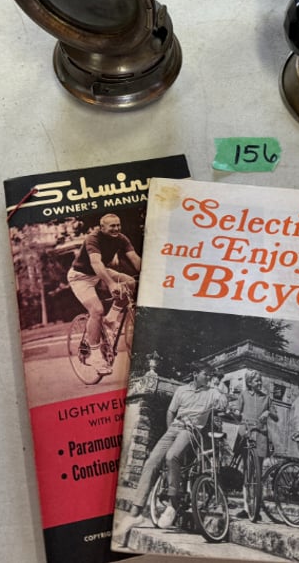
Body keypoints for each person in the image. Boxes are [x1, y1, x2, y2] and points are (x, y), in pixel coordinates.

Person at [116, 365, 229, 541]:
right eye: (206, 375)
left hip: (191, 430)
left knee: (171, 456)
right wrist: (170, 430)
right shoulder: (182, 390)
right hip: (174, 428)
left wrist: (218, 389)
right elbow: (171, 411)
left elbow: (223, 403)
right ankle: (135, 513)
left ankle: (173, 504)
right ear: (195, 374)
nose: (208, 378)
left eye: (210, 375)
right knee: (151, 462)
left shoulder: (211, 392)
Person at [67, 213, 140, 374]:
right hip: (80, 277)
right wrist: (111, 283)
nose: (116, 228)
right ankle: (95, 356)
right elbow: (96, 263)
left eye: (118, 225)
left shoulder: (121, 238)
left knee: (130, 283)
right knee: (97, 310)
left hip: (99, 272)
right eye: (112, 226)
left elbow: (134, 258)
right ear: (102, 227)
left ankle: (111, 319)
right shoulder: (93, 238)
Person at [231, 369, 278, 521]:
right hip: (246, 433)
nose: (259, 382)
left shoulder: (267, 398)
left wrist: (268, 413)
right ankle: (247, 508)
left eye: (260, 380)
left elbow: (276, 416)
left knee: (257, 473)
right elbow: (237, 411)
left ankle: (256, 507)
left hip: (261, 436)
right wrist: (236, 412)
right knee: (247, 471)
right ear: (250, 382)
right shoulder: (244, 395)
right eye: (256, 380)